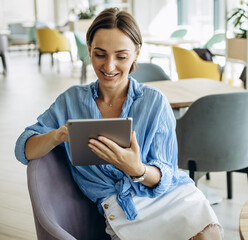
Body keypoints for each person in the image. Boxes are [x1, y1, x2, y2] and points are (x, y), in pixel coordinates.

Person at [15, 8, 222, 240]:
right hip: (120, 207)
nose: (109, 66)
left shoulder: (155, 102)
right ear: (89, 49)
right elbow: (24, 149)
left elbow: (168, 174)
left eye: (121, 56)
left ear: (136, 54)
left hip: (171, 195)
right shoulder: (70, 101)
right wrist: (57, 135)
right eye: (100, 54)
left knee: (209, 233)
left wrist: (137, 169)